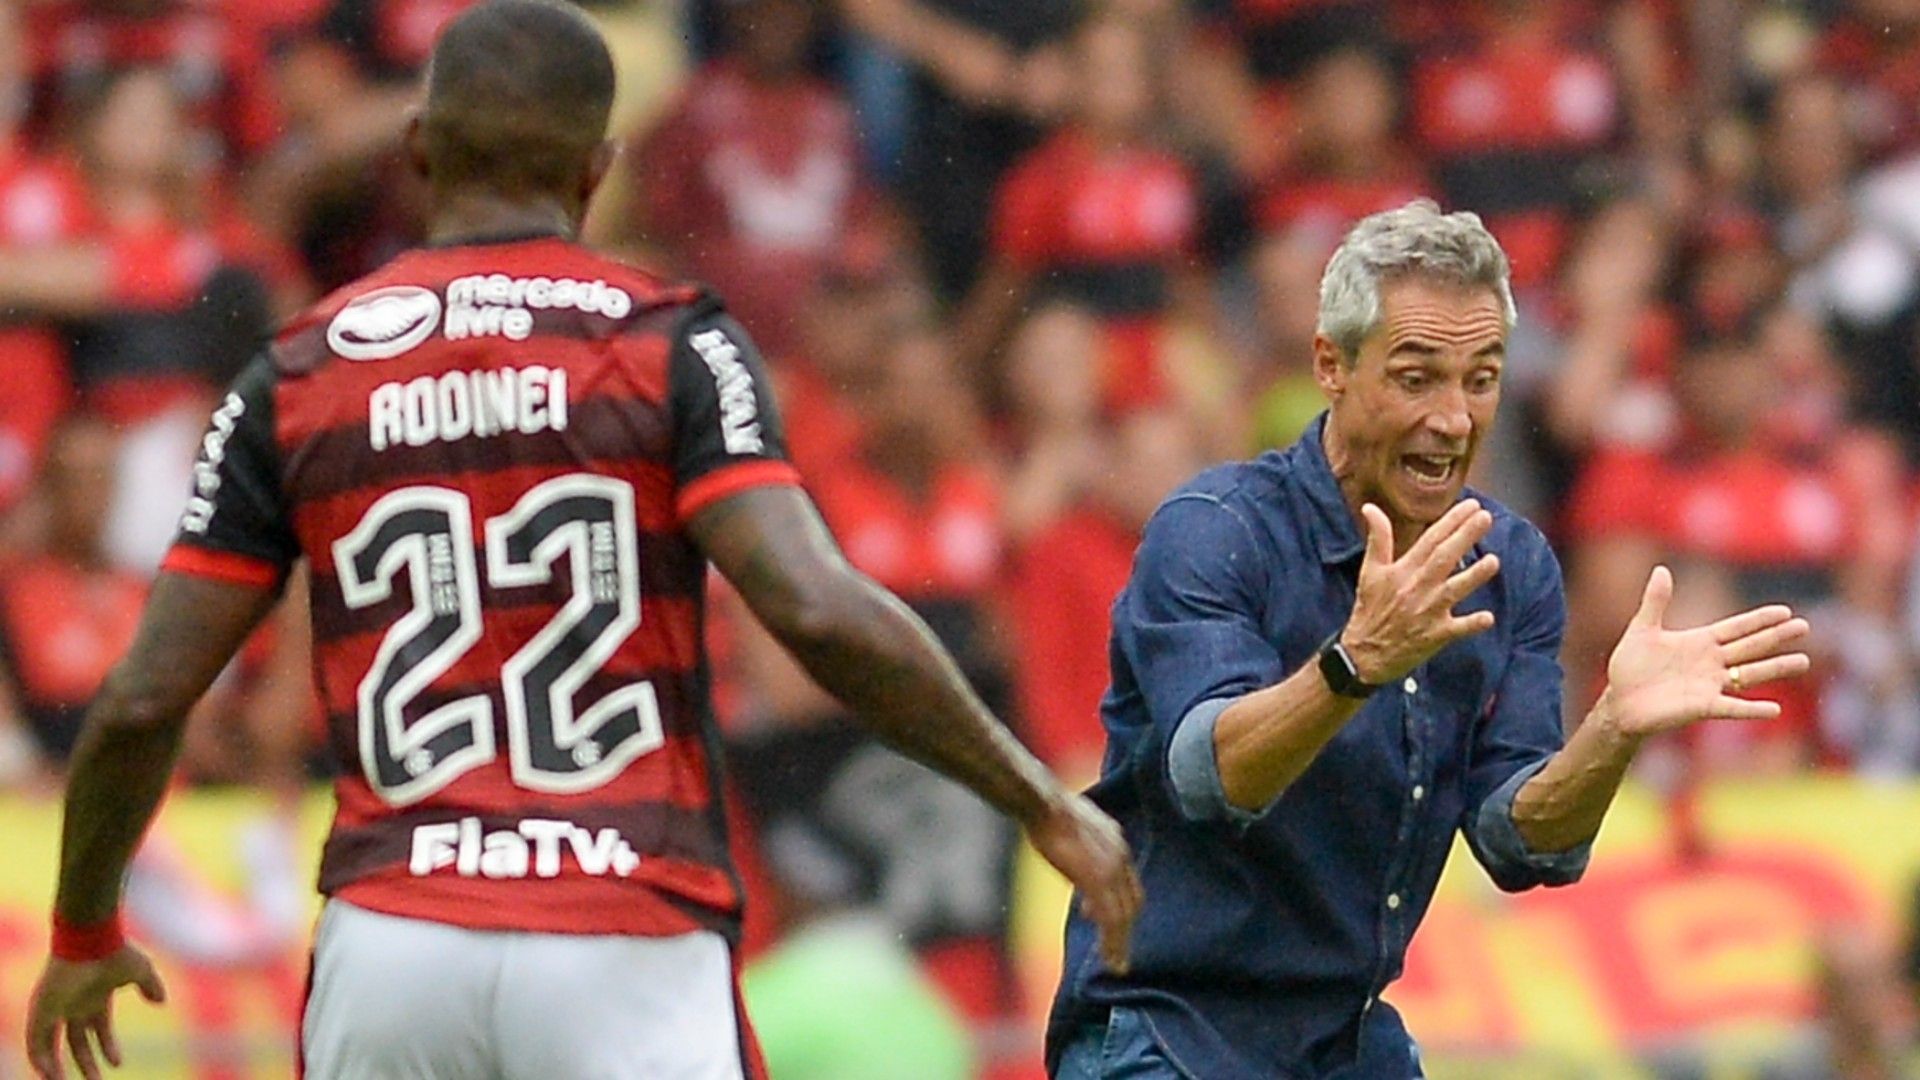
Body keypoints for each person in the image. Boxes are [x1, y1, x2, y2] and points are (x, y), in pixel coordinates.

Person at [20, 4, 1141, 1079]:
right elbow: (812, 606)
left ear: (418, 148)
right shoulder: (670, 347)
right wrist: (1037, 798)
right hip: (623, 921)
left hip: (394, 937)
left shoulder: (298, 374)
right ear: (598, 169)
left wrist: (80, 932)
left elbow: (142, 700)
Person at [1045, 200, 1811, 1080]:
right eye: (1417, 378)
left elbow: (1520, 843)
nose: (1453, 418)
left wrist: (1611, 732)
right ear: (1331, 365)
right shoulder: (1215, 531)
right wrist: (1355, 664)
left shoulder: (1513, 565)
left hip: (1346, 1035)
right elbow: (1211, 778)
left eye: (1481, 378)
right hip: (1170, 1026)